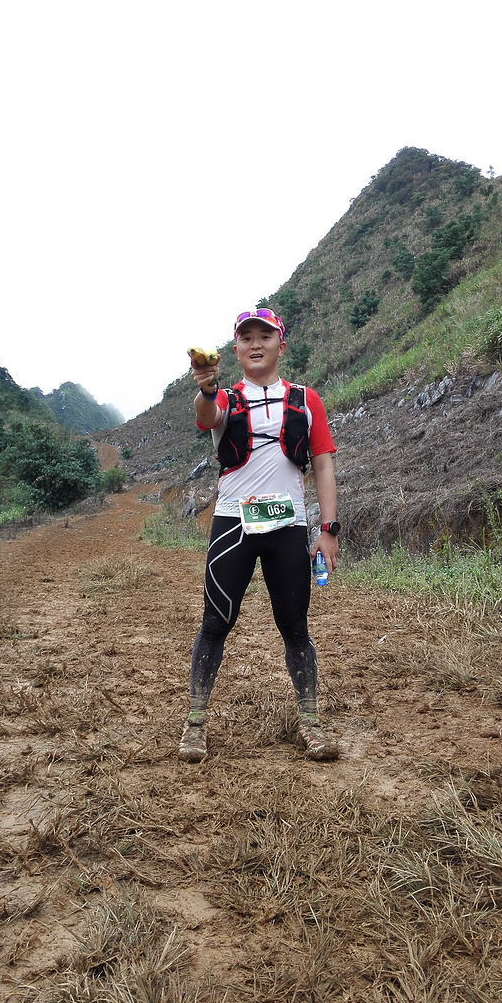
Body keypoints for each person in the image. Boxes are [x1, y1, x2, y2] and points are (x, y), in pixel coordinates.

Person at [179, 307, 340, 763]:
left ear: (280, 345)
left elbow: (323, 463)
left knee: (295, 627)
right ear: (235, 349)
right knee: (215, 624)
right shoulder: (225, 397)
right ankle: (194, 724)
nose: (255, 344)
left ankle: (310, 721)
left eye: (264, 336)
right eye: (245, 337)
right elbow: (207, 416)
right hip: (233, 524)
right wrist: (207, 389)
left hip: (288, 526)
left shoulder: (307, 400)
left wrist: (327, 529)